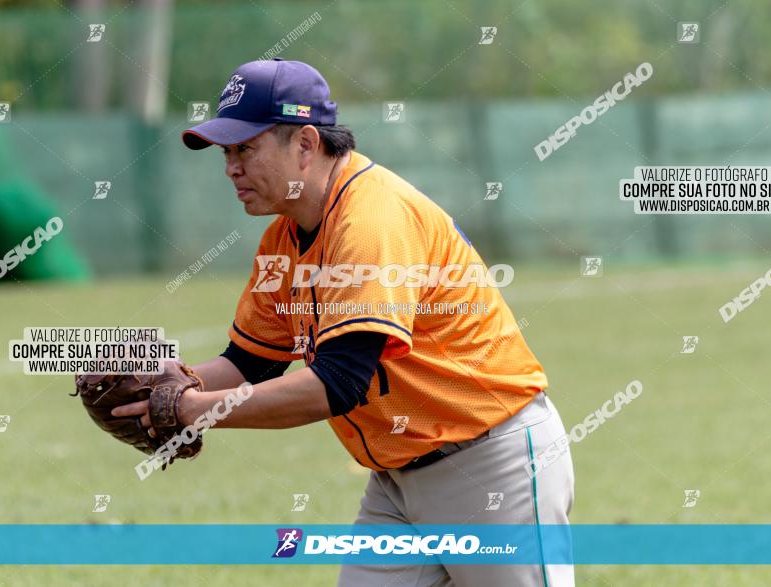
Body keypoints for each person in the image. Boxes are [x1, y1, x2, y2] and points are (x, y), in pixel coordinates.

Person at [114, 58, 574, 586]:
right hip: (397, 480)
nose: (230, 167)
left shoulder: (371, 221)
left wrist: (191, 410)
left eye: (246, 148)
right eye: (226, 152)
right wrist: (168, 386)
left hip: (492, 464)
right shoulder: (284, 236)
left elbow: (336, 384)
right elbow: (251, 362)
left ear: (306, 145)